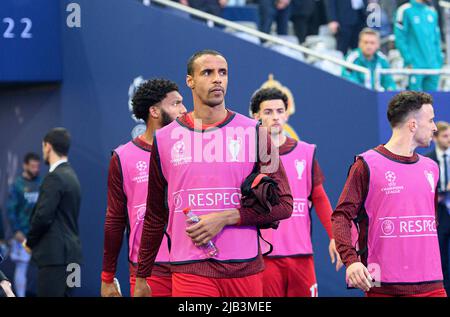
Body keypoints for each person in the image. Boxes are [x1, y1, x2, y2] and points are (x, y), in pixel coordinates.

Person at [134, 49, 293, 297]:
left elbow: (285, 205)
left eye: (223, 73)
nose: (217, 79)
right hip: (190, 269)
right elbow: (156, 214)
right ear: (190, 81)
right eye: (207, 73)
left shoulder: (256, 133)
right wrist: (142, 276)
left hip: (245, 268)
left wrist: (227, 217)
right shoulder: (165, 139)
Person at [332, 91, 446, 297]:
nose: (435, 127)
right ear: (413, 125)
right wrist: (351, 260)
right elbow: (341, 216)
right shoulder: (366, 164)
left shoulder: (432, 168)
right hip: (383, 286)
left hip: (432, 285)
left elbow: (431, 222)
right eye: (430, 120)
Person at [250, 87, 342, 297]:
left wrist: (334, 236)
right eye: (268, 112)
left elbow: (319, 197)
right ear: (256, 116)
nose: (275, 117)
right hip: (264, 255)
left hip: (301, 254)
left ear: (286, 114)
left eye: (280, 111)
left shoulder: (306, 151)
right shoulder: (248, 155)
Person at [101, 79, 187, 297]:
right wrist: (107, 277)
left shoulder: (196, 151)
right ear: (154, 111)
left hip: (192, 264)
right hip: (148, 270)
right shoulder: (123, 157)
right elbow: (114, 220)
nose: (184, 109)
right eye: (176, 103)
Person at [23, 128, 82, 297]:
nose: (43, 151)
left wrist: (29, 242)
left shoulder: (54, 177)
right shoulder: (72, 177)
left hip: (55, 261)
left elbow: (43, 216)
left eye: (43, 147)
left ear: (48, 146)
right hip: (73, 261)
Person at [6, 152, 41, 297]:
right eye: (32, 166)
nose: (35, 169)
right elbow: (11, 210)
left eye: (37, 167)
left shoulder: (41, 183)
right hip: (23, 235)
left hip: (39, 233)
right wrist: (17, 231)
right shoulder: (17, 185)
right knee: (22, 267)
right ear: (25, 165)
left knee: (45, 268)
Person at [394, 0, 443, 91]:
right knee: (413, 102)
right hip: (414, 66)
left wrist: (438, 61)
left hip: (433, 67)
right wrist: (408, 60)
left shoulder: (432, 12)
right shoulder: (405, 10)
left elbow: (437, 40)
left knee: (432, 101)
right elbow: (400, 39)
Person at [426, 121, 450, 296]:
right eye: (445, 136)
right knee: (440, 254)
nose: (448, 140)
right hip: (439, 212)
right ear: (435, 138)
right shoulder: (428, 160)